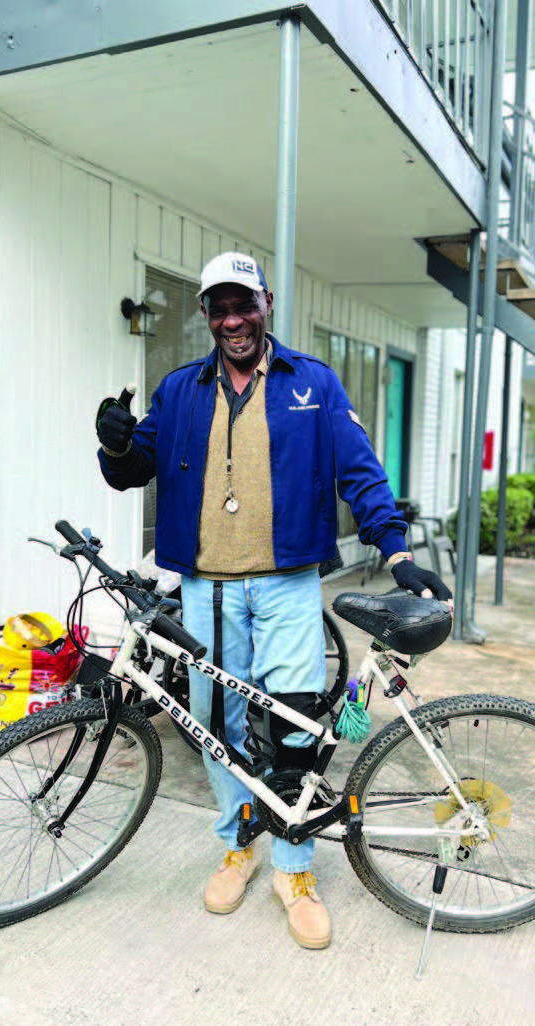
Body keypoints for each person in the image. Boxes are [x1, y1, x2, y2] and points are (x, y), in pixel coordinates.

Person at [96, 251, 451, 949]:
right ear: (206, 316)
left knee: (292, 723)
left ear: (265, 304)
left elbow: (360, 473)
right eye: (219, 308)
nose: (233, 320)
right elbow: (132, 468)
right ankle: (239, 845)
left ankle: (294, 864)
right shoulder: (179, 390)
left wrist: (398, 553)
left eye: (243, 304)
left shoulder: (311, 384)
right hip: (206, 584)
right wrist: (111, 445)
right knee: (218, 727)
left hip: (287, 583)